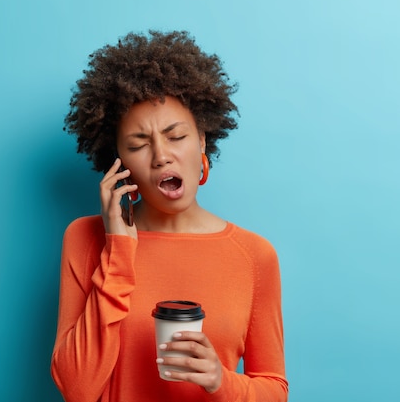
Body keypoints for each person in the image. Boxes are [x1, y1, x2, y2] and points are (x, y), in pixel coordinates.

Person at [51, 30, 288, 402]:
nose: (161, 155)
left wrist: (219, 380)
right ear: (119, 161)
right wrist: (118, 252)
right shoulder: (84, 238)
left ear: (203, 141)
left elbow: (274, 389)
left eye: (176, 136)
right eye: (138, 145)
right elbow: (77, 389)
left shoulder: (254, 255)